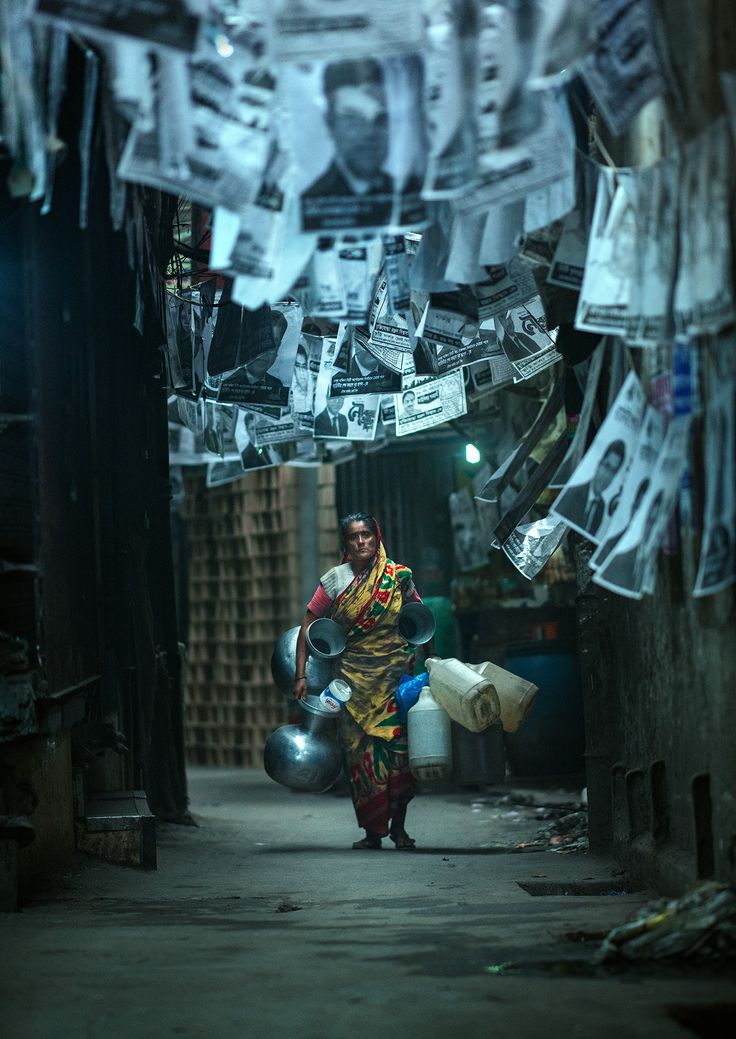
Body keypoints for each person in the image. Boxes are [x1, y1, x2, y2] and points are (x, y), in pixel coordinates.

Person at [293, 513, 430, 850]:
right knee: (360, 762)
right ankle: (372, 832)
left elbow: (421, 619)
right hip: (350, 687)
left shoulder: (398, 577)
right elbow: (307, 628)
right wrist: (300, 674)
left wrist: (431, 667)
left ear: (376, 537)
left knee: (399, 757)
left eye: (367, 534)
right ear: (346, 544)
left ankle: (398, 828)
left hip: (394, 681)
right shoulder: (335, 582)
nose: (361, 542)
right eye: (354, 537)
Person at [303, 59, 392, 203]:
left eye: (380, 119)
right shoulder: (313, 200)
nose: (369, 132)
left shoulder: (408, 190)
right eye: (353, 119)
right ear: (330, 124)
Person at [554, 439, 626, 539]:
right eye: (607, 466)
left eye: (613, 471)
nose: (606, 476)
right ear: (599, 464)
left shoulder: (601, 507)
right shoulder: (573, 493)